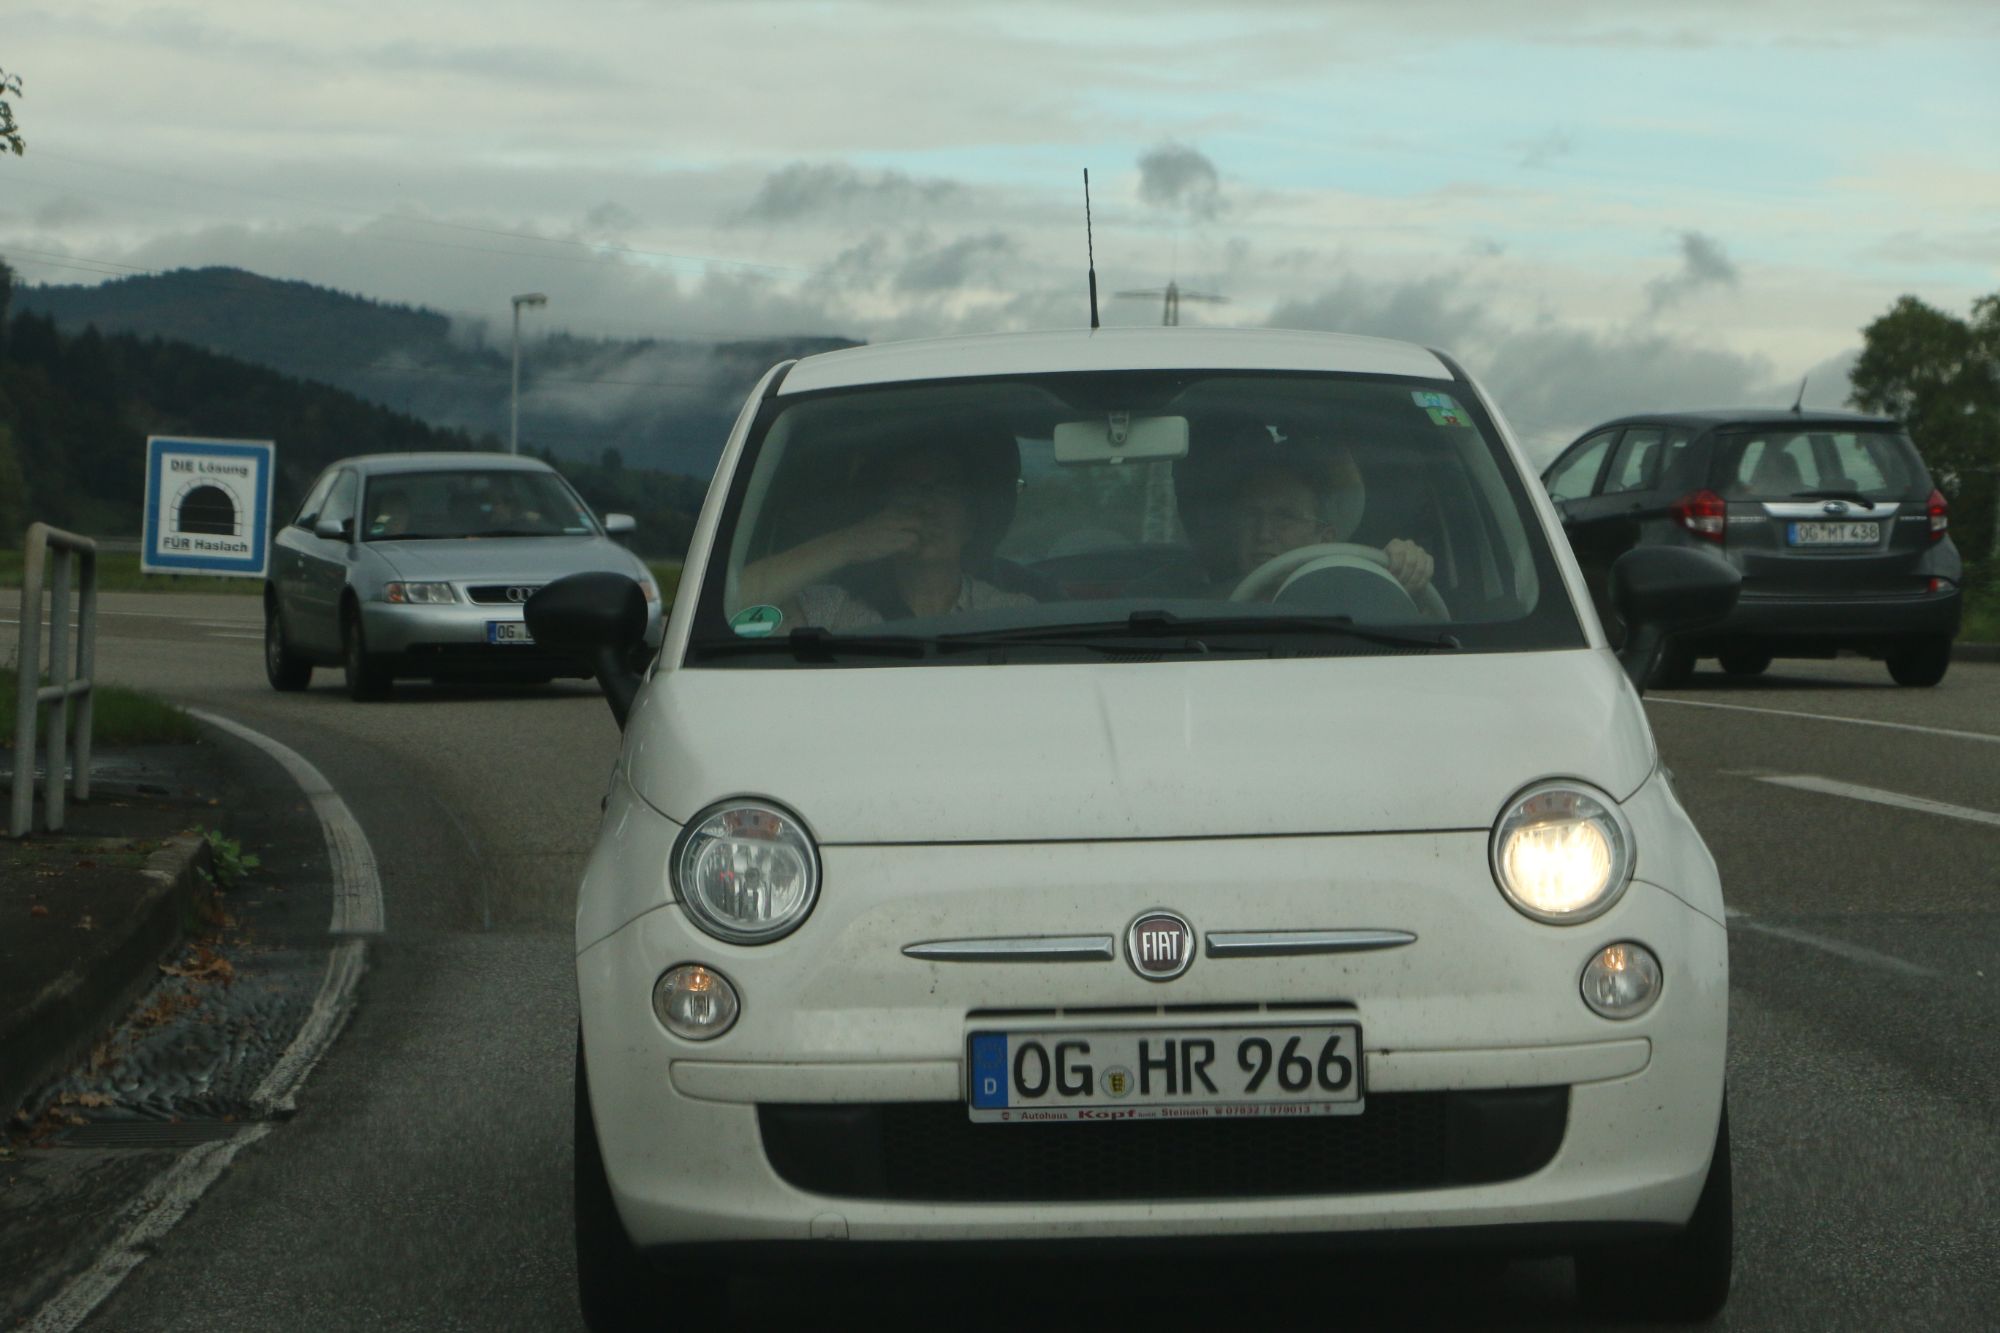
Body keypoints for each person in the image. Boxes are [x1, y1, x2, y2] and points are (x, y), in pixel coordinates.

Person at [735, 440, 1035, 631]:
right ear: (880, 512)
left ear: (971, 519)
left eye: (944, 488)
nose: (926, 506)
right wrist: (848, 544)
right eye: (908, 489)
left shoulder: (1010, 614)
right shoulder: (832, 609)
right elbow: (728, 608)